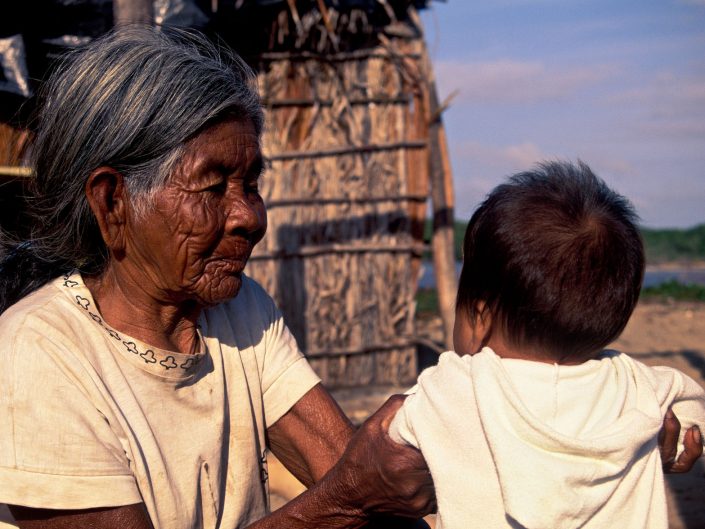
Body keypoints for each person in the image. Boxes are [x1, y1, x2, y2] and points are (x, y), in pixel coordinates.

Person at [0, 27, 434, 529]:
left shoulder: (238, 309)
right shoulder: (38, 353)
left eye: (250, 184)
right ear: (112, 202)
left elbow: (344, 466)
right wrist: (347, 501)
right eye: (211, 186)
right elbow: (352, 489)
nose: (248, 216)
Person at [388, 161, 705, 529]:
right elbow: (690, 428)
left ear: (479, 316)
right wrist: (670, 447)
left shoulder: (451, 387)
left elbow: (385, 448)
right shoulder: (644, 386)